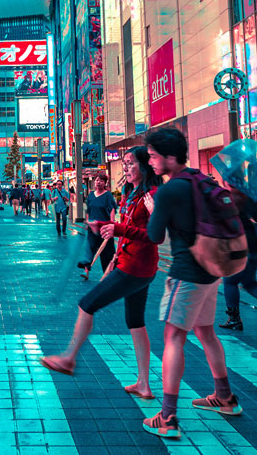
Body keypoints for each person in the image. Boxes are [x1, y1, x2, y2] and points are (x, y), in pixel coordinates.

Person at [40, 147, 160, 402]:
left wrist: (117, 229)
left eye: (130, 163)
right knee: (135, 322)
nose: (125, 167)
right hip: (136, 264)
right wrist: (107, 228)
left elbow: (155, 235)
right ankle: (144, 384)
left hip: (135, 267)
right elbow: (129, 227)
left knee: (87, 304)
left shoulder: (151, 195)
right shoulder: (132, 193)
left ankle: (69, 358)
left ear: (144, 166)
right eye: (124, 163)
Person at [143, 127, 238, 439]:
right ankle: (224, 397)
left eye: (153, 156)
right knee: (206, 332)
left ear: (170, 157)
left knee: (173, 338)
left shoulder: (169, 190)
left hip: (187, 273)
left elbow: (155, 236)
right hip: (212, 271)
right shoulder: (200, 179)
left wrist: (154, 211)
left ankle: (168, 417)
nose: (150, 162)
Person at [218, 189, 257, 331]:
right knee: (249, 282)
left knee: (230, 282)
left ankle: (234, 319)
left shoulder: (231, 200)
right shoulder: (253, 199)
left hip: (239, 248)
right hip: (256, 248)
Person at [80, 173, 117, 276]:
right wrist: (88, 222)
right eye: (97, 180)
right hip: (92, 227)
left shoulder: (108, 195)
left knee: (106, 252)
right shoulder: (91, 195)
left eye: (101, 180)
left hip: (104, 228)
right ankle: (86, 271)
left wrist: (112, 223)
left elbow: (112, 209)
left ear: (105, 183)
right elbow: (88, 210)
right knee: (90, 249)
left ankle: (108, 274)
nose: (98, 182)